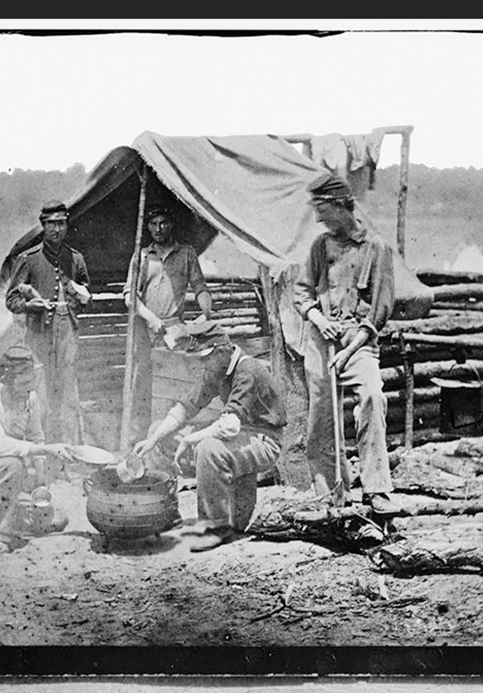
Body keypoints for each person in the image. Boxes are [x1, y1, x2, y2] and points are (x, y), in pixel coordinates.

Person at [290, 172, 398, 515]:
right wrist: (317, 318)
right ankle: (330, 489)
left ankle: (377, 489)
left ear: (341, 206)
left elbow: (378, 313)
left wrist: (349, 351)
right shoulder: (321, 247)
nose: (318, 218)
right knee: (321, 417)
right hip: (322, 341)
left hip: (358, 343)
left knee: (371, 396)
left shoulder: (377, 249)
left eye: (322, 210)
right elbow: (302, 292)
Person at [132, 320, 285, 552]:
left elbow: (228, 427)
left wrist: (190, 439)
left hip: (265, 439)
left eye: (206, 357)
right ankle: (169, 511)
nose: (203, 363)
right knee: (157, 429)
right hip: (240, 433)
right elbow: (186, 406)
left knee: (209, 448)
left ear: (223, 350)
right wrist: (154, 439)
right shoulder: (218, 368)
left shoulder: (247, 372)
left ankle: (216, 527)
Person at [0, 345, 77, 545]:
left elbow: (36, 437)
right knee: (13, 464)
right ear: (8, 380)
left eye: (32, 381)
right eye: (23, 383)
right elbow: (1, 446)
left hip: (10, 476)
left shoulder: (30, 400)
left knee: (58, 518)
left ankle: (11, 520)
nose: (29, 387)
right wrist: (48, 450)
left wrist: (41, 479)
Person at [3, 200, 93, 446]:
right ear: (43, 226)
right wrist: (29, 306)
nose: (56, 230)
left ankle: (68, 455)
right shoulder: (28, 259)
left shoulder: (76, 259)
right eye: (51, 224)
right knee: (39, 394)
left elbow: (88, 296)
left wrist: (80, 294)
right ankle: (40, 454)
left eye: (61, 224)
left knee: (68, 397)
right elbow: (11, 299)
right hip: (39, 332)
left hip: (68, 332)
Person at [124, 205, 214, 442]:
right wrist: (150, 318)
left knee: (172, 384)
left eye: (163, 223)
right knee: (141, 383)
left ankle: (167, 438)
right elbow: (129, 296)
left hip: (173, 330)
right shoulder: (142, 256)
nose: (158, 229)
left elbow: (200, 287)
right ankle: (137, 439)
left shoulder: (186, 254)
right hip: (145, 329)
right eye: (153, 224)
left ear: (171, 224)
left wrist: (206, 310)